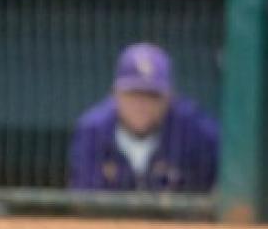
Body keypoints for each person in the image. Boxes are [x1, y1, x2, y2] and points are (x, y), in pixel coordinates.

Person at [68, 42, 219, 192]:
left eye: (152, 95)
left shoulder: (198, 132)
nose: (141, 105)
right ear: (115, 94)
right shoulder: (93, 131)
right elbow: (82, 197)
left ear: (170, 97)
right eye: (133, 94)